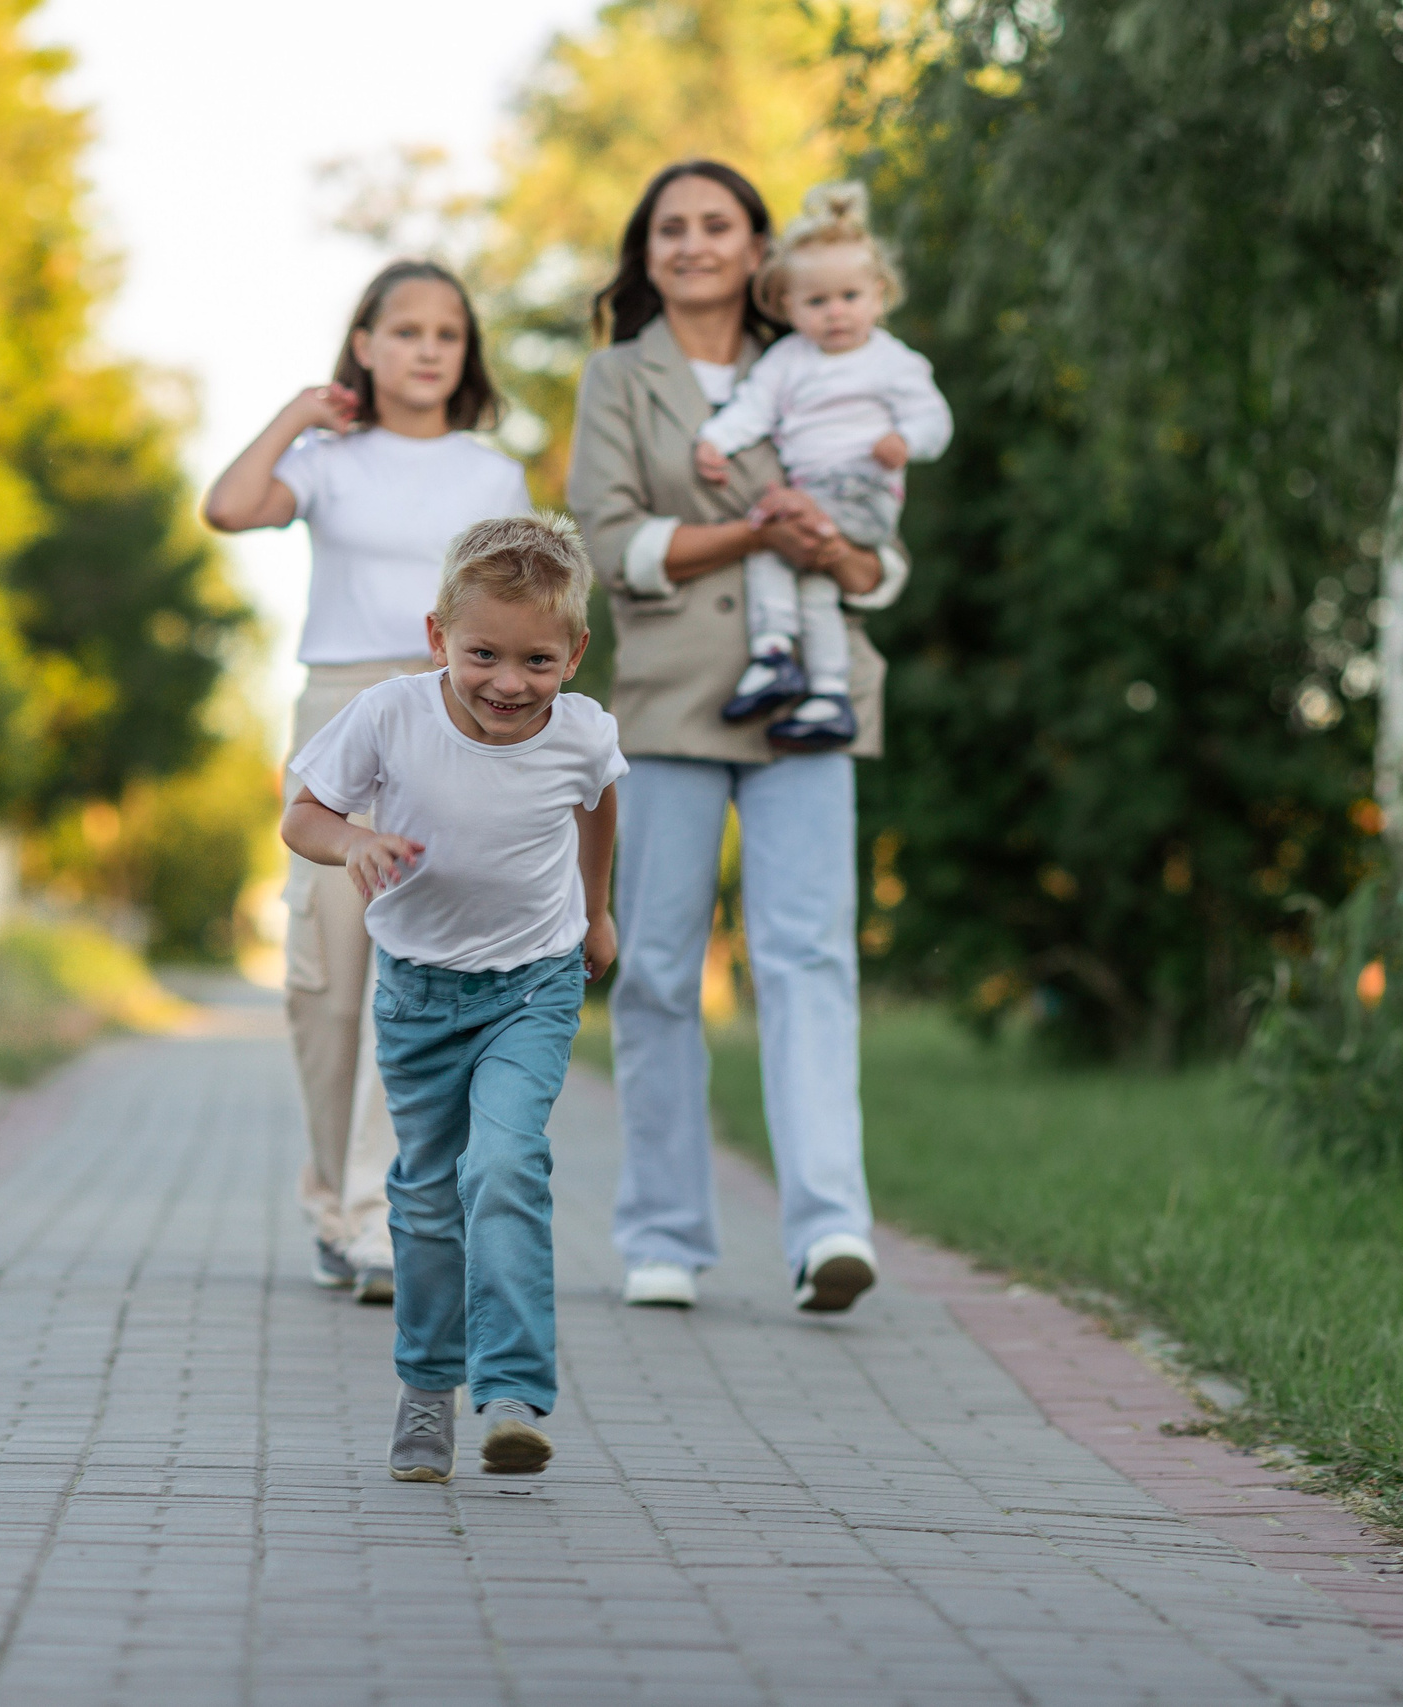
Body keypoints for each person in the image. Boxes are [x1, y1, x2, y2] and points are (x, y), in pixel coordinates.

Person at [566, 160, 906, 1315]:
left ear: (759, 247)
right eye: (671, 227)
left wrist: (835, 551)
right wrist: (758, 533)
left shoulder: (825, 352)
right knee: (659, 967)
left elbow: (879, 553)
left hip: (812, 690)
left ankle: (830, 1230)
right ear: (646, 250)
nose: (694, 243)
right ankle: (664, 1237)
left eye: (717, 224)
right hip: (672, 697)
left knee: (809, 959)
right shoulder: (619, 377)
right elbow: (609, 543)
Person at [203, 260, 530, 1306]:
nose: (429, 349)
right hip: (341, 708)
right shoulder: (327, 462)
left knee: (418, 968)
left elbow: (520, 606)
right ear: (367, 346)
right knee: (328, 978)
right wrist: (298, 415)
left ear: (465, 353)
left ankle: (382, 1216)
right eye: (407, 331)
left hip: (450, 709)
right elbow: (228, 507)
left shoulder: (492, 476)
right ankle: (331, 1209)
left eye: (448, 333)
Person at [280, 514, 625, 1483]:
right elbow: (302, 815)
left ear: (573, 654)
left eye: (537, 661)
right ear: (439, 637)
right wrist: (353, 841)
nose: (509, 683)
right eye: (484, 655)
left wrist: (597, 911)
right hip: (420, 994)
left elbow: (599, 802)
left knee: (505, 1165)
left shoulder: (584, 730)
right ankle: (428, 1387)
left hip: (533, 984)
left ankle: (511, 1393)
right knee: (428, 1194)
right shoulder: (390, 715)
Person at [695, 181, 951, 751]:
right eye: (816, 302)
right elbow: (753, 407)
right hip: (816, 493)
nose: (836, 313)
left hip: (863, 492)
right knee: (812, 585)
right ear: (789, 307)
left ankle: (772, 653)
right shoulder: (788, 360)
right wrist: (716, 440)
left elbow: (935, 420)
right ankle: (828, 693)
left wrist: (905, 439)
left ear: (879, 296)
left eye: (850, 297)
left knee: (769, 533)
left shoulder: (892, 361)